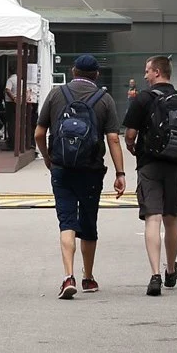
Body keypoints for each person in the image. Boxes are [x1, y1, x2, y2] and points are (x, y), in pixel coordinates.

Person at [34, 53, 124, 300]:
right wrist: (120, 173)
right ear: (96, 75)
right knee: (88, 221)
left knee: (66, 222)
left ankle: (68, 276)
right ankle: (89, 277)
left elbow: (39, 133)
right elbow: (114, 138)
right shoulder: (104, 99)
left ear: (73, 71)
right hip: (91, 170)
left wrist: (48, 158)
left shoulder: (56, 95)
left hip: (62, 167)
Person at [124, 55, 177, 296]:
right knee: (172, 219)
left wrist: (134, 148)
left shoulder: (143, 99)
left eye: (147, 71)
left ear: (157, 72)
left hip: (149, 165)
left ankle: (155, 275)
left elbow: (129, 135)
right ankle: (171, 270)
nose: (145, 75)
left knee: (153, 218)